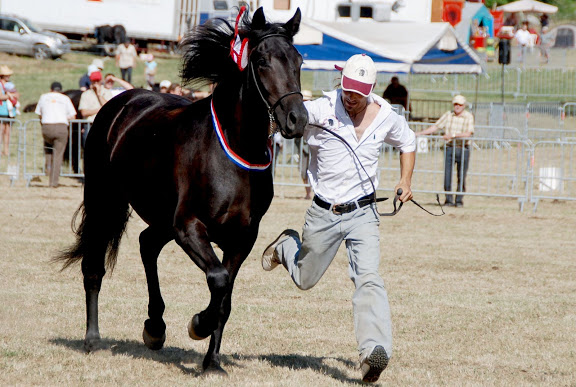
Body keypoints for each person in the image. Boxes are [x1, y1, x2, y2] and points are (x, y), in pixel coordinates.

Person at [261, 54, 416, 383]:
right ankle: (287, 245)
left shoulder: (386, 115)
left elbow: (408, 141)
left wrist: (405, 181)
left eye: (358, 92)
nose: (351, 96)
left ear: (371, 90)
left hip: (364, 212)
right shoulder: (322, 108)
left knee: (369, 278)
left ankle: (372, 353)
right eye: (347, 89)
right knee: (304, 279)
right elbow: (285, 119)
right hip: (324, 212)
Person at [415, 94, 474, 207]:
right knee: (447, 176)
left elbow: (468, 134)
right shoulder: (448, 115)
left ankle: (459, 200)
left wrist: (453, 135)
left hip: (463, 149)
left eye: (460, 104)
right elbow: (435, 127)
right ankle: (448, 200)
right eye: (455, 104)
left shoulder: (469, 116)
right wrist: (419, 133)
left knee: (461, 176)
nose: (457, 106)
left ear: (464, 106)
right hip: (449, 148)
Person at [34, 82, 77, 188]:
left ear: (50, 89)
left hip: (46, 126)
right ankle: (53, 182)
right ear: (61, 90)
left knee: (48, 146)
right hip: (61, 127)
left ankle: (47, 168)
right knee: (58, 155)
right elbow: (73, 116)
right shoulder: (65, 98)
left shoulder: (43, 97)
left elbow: (39, 113)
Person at [78, 71, 114, 144]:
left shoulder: (107, 93)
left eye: (97, 80)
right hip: (90, 125)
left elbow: (109, 108)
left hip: (104, 125)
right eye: (94, 81)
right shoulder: (86, 94)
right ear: (91, 81)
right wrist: (100, 110)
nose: (96, 83)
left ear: (101, 80)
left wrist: (99, 95)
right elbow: (84, 112)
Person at [0, 65, 18, 156]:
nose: (8, 76)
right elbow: (0, 96)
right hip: (1, 111)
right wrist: (10, 96)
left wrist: (13, 95)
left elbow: (17, 94)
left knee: (8, 132)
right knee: (1, 131)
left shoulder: (10, 84)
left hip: (10, 112)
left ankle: (6, 150)